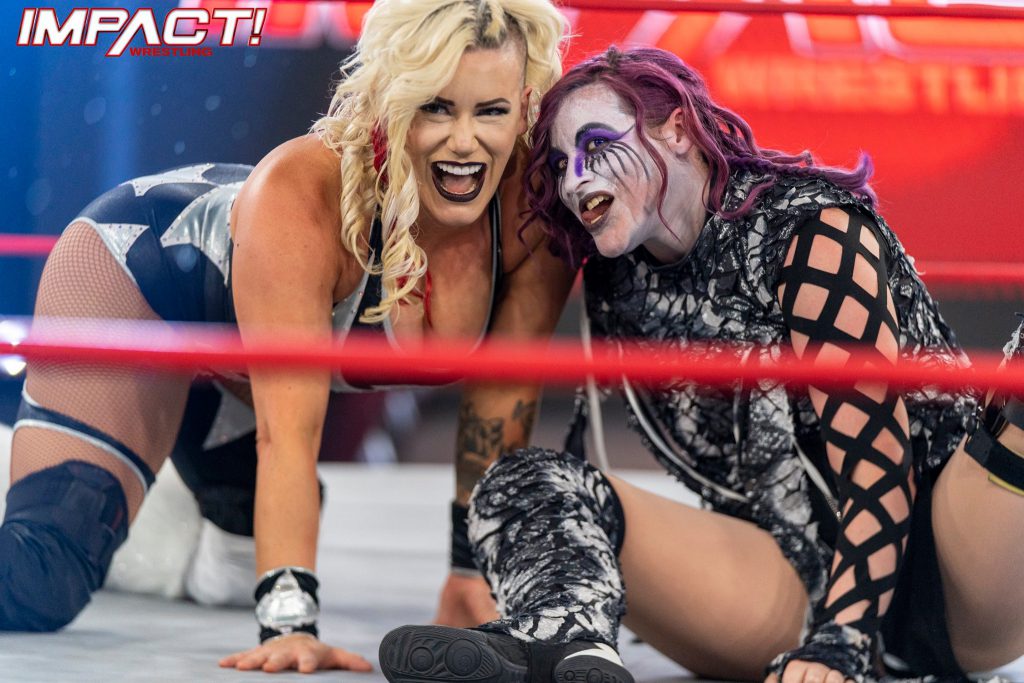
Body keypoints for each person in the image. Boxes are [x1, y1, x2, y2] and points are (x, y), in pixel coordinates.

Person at [378, 46, 1024, 683]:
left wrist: (842, 642)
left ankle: (847, 638)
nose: (574, 181)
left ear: (679, 130)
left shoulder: (810, 230)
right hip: (787, 582)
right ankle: (566, 642)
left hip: (953, 561)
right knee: (521, 482)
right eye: (560, 163)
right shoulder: (619, 275)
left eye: (596, 146)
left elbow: (878, 464)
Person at [0, 0, 574, 674]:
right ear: (391, 101)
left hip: (240, 369)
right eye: (436, 108)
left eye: (491, 111)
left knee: (234, 567)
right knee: (43, 577)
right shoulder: (304, 196)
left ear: (524, 104)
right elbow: (288, 437)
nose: (464, 143)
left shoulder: (535, 214)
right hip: (143, 281)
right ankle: (54, 447)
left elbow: (500, 406)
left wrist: (468, 574)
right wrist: (290, 624)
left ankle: (136, 477)